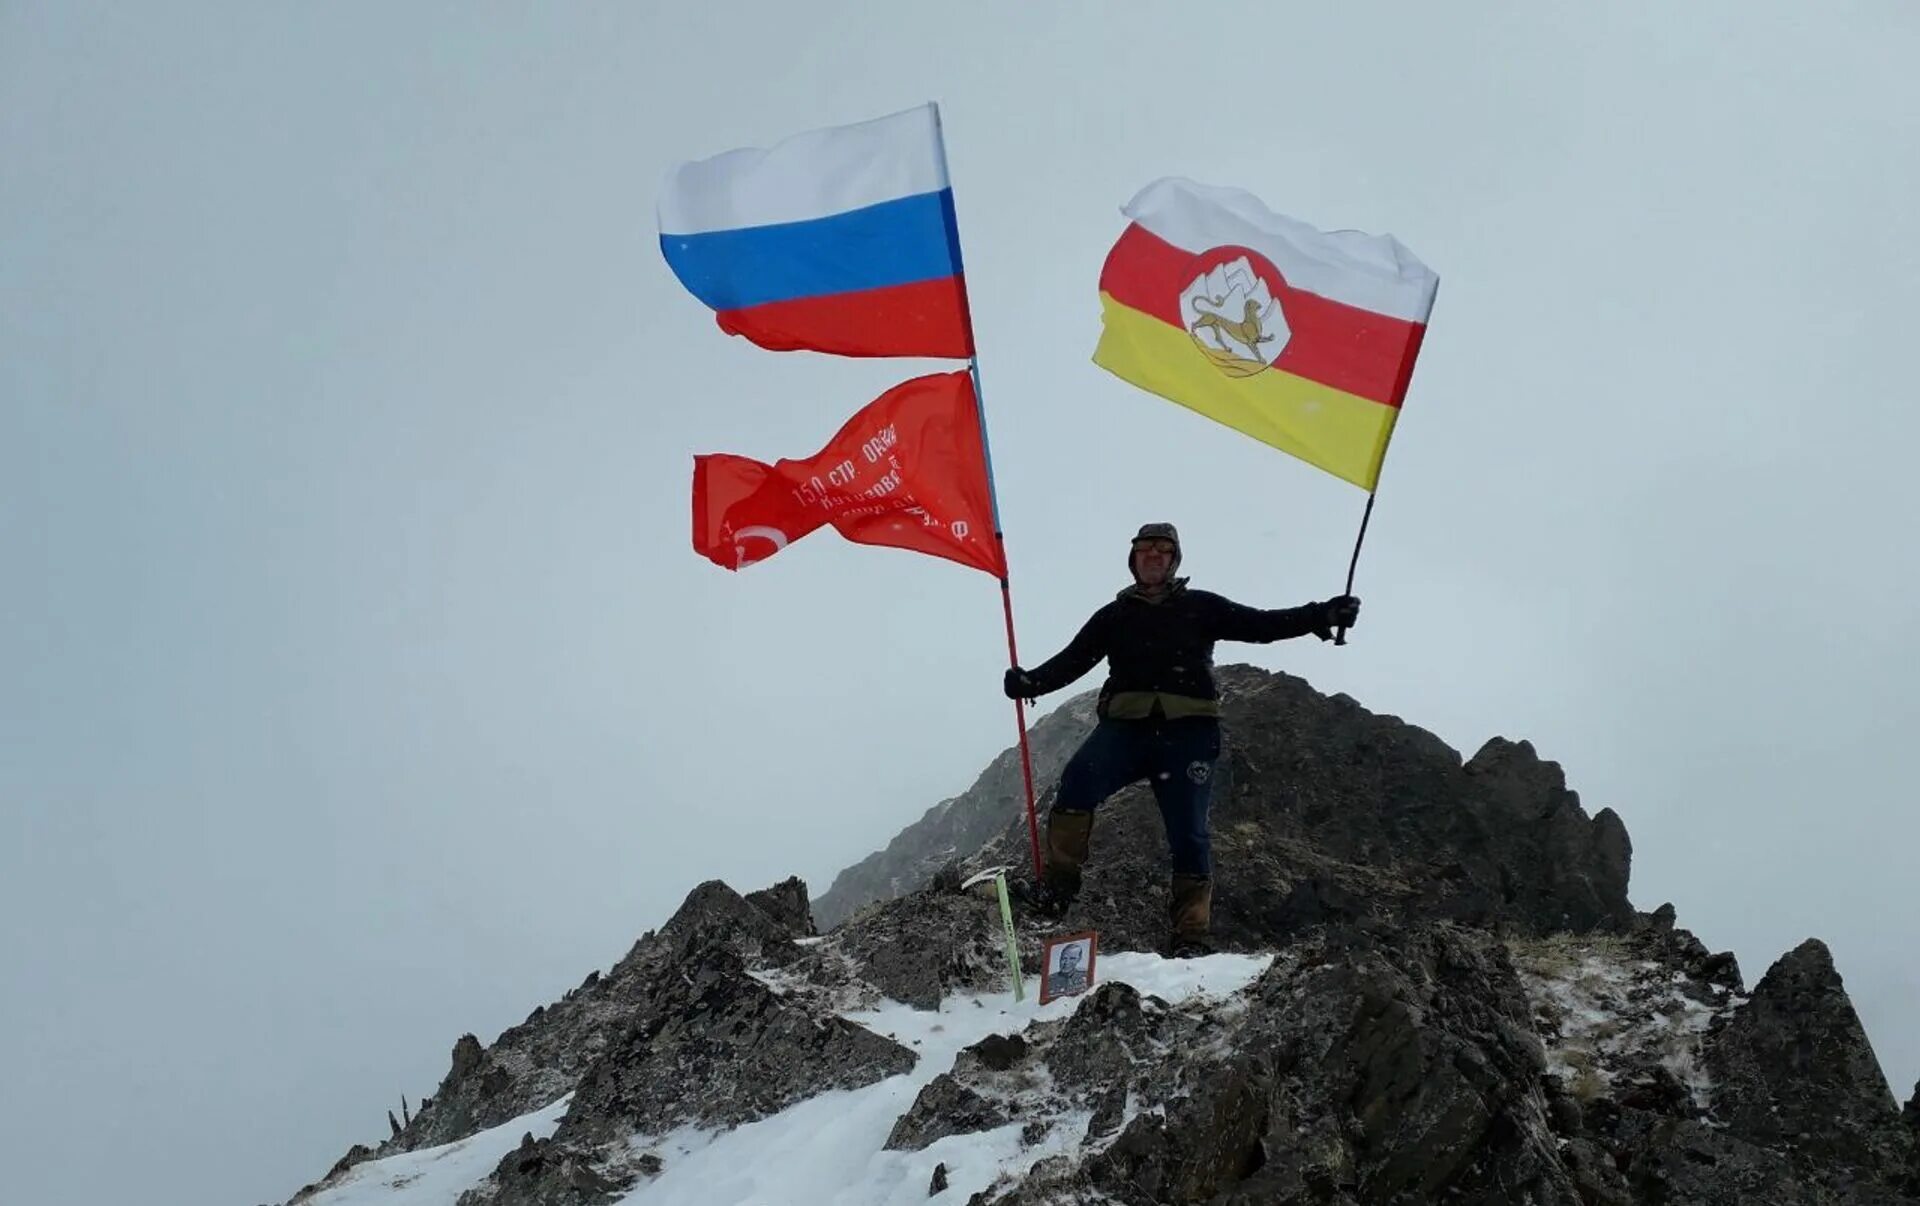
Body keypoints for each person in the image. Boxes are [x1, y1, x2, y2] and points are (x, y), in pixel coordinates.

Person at [1003, 522, 1360, 957]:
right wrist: (1031, 682)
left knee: (1189, 833)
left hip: (1188, 735)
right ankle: (1057, 891)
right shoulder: (1112, 617)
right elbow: (1075, 660)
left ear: (1174, 561)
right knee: (1076, 785)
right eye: (1144, 549)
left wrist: (1320, 614)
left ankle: (1191, 936)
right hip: (1125, 731)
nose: (1153, 555)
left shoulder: (1201, 607)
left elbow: (1260, 625)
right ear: (1132, 560)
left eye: (1162, 549)